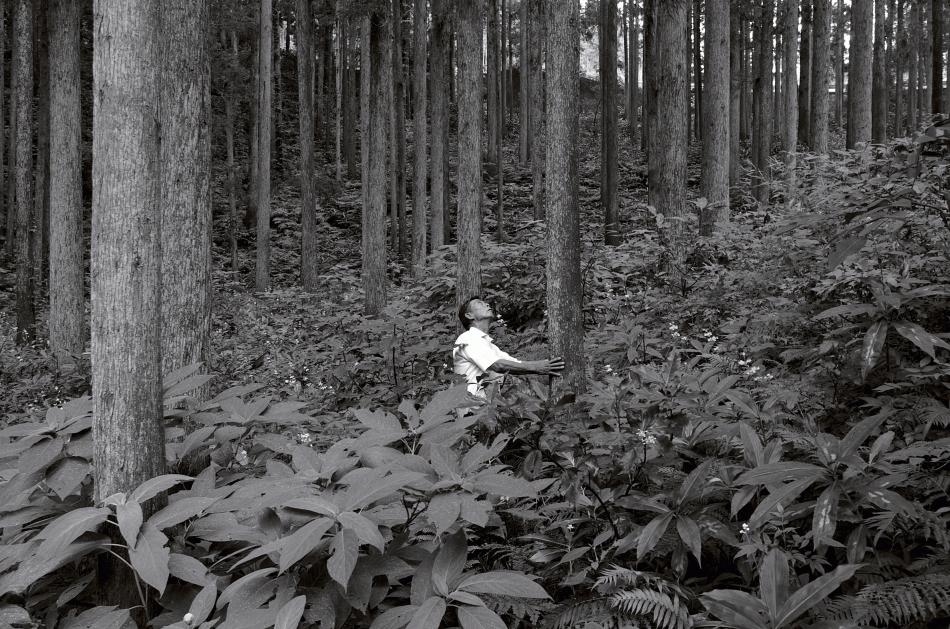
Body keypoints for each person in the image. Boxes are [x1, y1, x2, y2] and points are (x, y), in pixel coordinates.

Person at [453, 297, 565, 398]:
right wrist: (537, 367)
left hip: (486, 408)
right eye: (479, 303)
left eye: (485, 302)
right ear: (469, 315)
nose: (487, 304)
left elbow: (515, 364)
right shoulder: (468, 338)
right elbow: (498, 365)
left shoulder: (489, 346)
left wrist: (545, 365)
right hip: (471, 410)